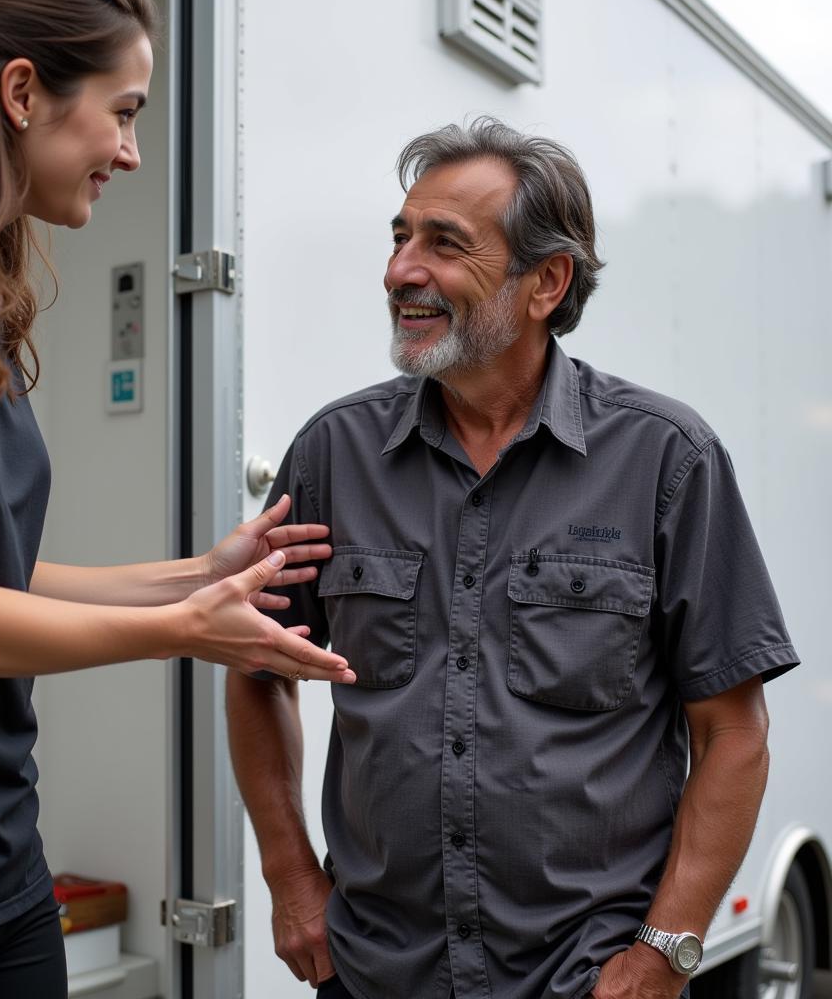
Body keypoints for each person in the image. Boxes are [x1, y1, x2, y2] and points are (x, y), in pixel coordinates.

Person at [0, 0, 355, 997]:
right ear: (22, 93)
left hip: (3, 867)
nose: (131, 153)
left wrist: (202, 573)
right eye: (125, 112)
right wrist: (185, 628)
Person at [227, 116, 799, 999]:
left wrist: (664, 955)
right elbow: (257, 670)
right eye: (400, 238)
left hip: (586, 977)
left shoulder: (665, 461)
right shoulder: (332, 454)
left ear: (547, 283)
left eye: (444, 244)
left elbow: (733, 732)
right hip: (379, 971)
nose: (401, 270)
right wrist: (291, 878)